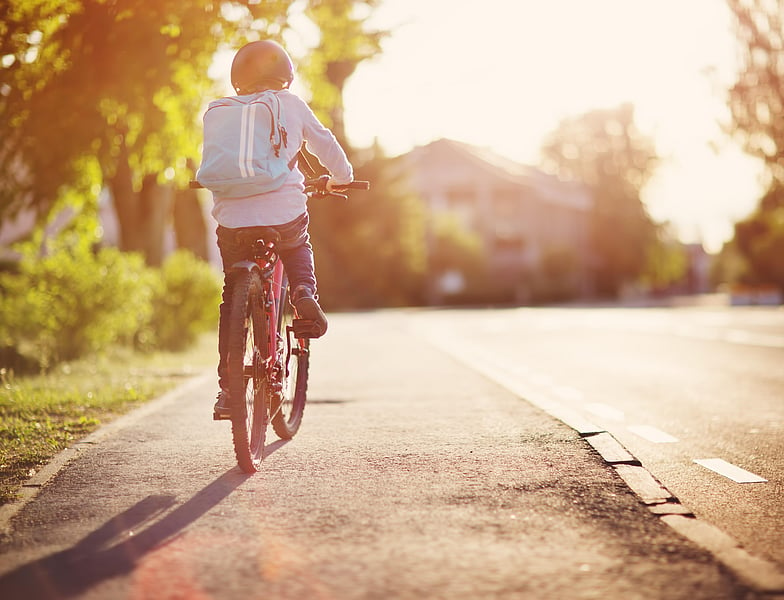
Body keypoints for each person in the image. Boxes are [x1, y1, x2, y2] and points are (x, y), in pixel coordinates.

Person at [209, 40, 353, 416]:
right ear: (285, 76)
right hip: (282, 213)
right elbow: (325, 142)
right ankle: (304, 292)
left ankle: (227, 389)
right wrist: (341, 178)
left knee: (230, 297)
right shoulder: (290, 104)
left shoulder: (222, 110)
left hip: (232, 220)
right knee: (296, 242)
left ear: (238, 77)